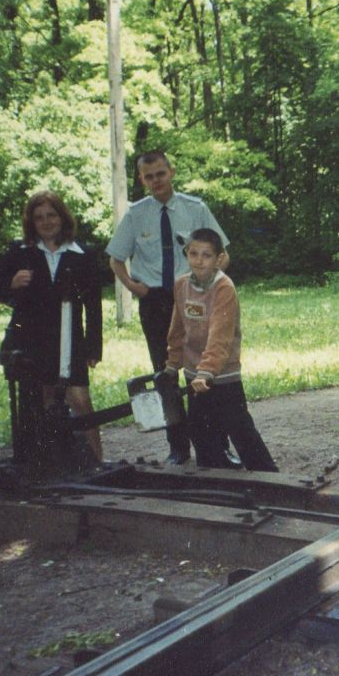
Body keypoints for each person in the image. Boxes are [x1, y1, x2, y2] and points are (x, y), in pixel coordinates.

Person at [106, 150, 233, 466]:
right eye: (148, 177)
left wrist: (207, 285)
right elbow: (115, 258)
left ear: (171, 172)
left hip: (193, 297)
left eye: (160, 174)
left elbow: (224, 254)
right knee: (166, 373)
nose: (155, 181)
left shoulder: (195, 209)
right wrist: (134, 287)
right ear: (141, 179)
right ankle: (178, 447)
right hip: (156, 302)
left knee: (203, 369)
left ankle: (215, 446)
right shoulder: (136, 214)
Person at [0, 191, 103, 461]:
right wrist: (11, 283)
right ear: (32, 222)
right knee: (44, 403)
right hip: (32, 340)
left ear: (62, 217)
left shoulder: (82, 254)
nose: (46, 221)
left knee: (81, 402)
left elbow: (94, 306)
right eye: (39, 217)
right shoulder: (20, 252)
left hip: (69, 340)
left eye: (51, 215)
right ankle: (52, 462)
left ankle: (98, 461)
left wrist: (93, 348)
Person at [162, 228, 277, 472]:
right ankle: (214, 474)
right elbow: (178, 327)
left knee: (239, 429)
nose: (199, 261)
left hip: (223, 374)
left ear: (218, 259)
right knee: (200, 431)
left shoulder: (224, 288)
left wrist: (207, 371)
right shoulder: (181, 285)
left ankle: (268, 477)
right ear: (187, 254)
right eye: (193, 254)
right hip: (195, 374)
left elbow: (220, 335)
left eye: (206, 255)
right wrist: (173, 363)